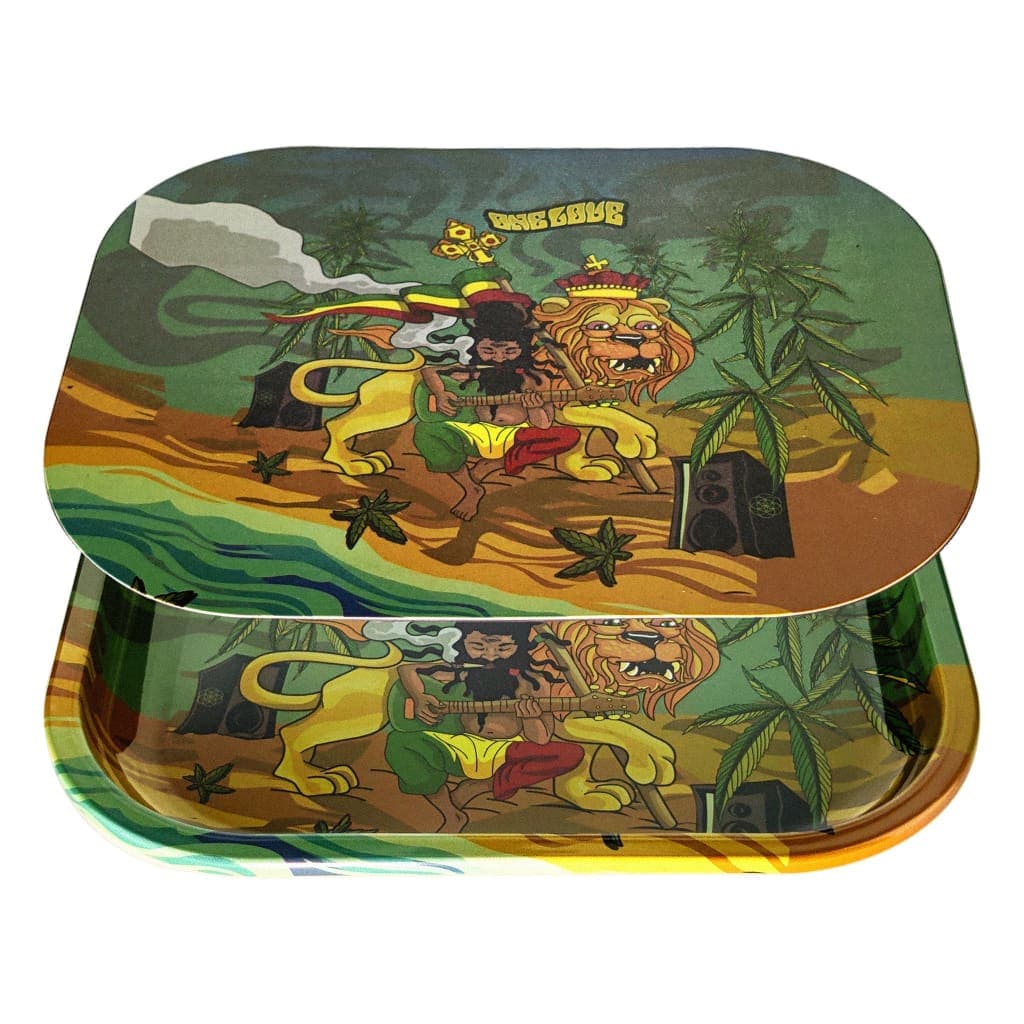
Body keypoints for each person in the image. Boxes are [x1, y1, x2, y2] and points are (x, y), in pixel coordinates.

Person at [384, 622, 584, 833]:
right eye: (478, 647)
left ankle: (483, 785)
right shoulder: (460, 672)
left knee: (569, 753)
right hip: (458, 746)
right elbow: (406, 669)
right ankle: (451, 813)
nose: (490, 656)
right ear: (462, 643)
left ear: (520, 647)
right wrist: (419, 697)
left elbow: (541, 739)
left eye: (504, 648)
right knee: (399, 743)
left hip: (506, 751)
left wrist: (530, 717)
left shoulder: (535, 682)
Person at [413, 301, 579, 520]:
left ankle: (496, 463)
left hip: (514, 437)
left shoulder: (536, 379)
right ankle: (471, 488)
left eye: (510, 351)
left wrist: (534, 407)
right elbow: (429, 371)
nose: (499, 358)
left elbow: (543, 425)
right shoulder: (472, 371)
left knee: (568, 435)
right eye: (488, 351)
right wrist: (441, 393)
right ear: (476, 348)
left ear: (523, 350)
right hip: (475, 433)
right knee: (425, 432)